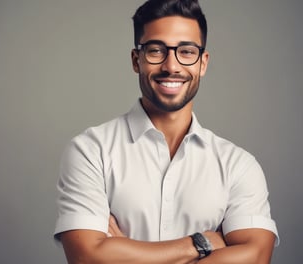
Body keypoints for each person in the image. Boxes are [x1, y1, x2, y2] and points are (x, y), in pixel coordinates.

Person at [54, 0, 279, 263]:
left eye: (186, 51)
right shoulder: (91, 151)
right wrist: (200, 244)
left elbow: (257, 256)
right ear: (136, 60)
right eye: (156, 50)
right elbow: (87, 258)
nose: (171, 66)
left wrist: (123, 252)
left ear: (202, 63)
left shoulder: (238, 166)